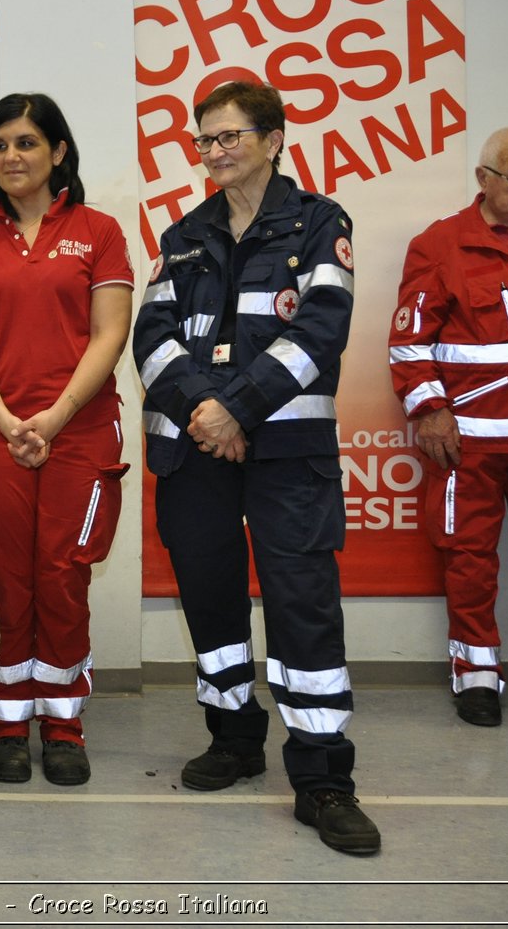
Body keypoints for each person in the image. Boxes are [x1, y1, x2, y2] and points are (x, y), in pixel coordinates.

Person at [131, 80, 380, 855]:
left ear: (274, 139)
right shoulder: (182, 236)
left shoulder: (318, 222)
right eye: (204, 140)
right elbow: (153, 337)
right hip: (196, 451)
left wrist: (234, 406)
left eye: (229, 137)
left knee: (303, 603)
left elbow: (320, 331)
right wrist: (211, 411)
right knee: (211, 604)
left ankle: (323, 778)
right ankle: (235, 737)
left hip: (284, 453)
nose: (213, 152)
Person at [0, 94, 132, 786]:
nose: (12, 157)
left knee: (61, 571)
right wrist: (6, 418)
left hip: (77, 430)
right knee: (0, 576)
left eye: (26, 142)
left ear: (58, 151)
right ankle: (4, 722)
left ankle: (62, 722)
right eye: (0, 144)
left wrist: (53, 417)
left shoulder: (100, 230)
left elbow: (110, 332)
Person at [388, 126, 508, 725]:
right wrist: (430, 411)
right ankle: (476, 674)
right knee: (469, 557)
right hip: (472, 441)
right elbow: (410, 344)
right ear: (484, 180)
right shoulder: (441, 245)